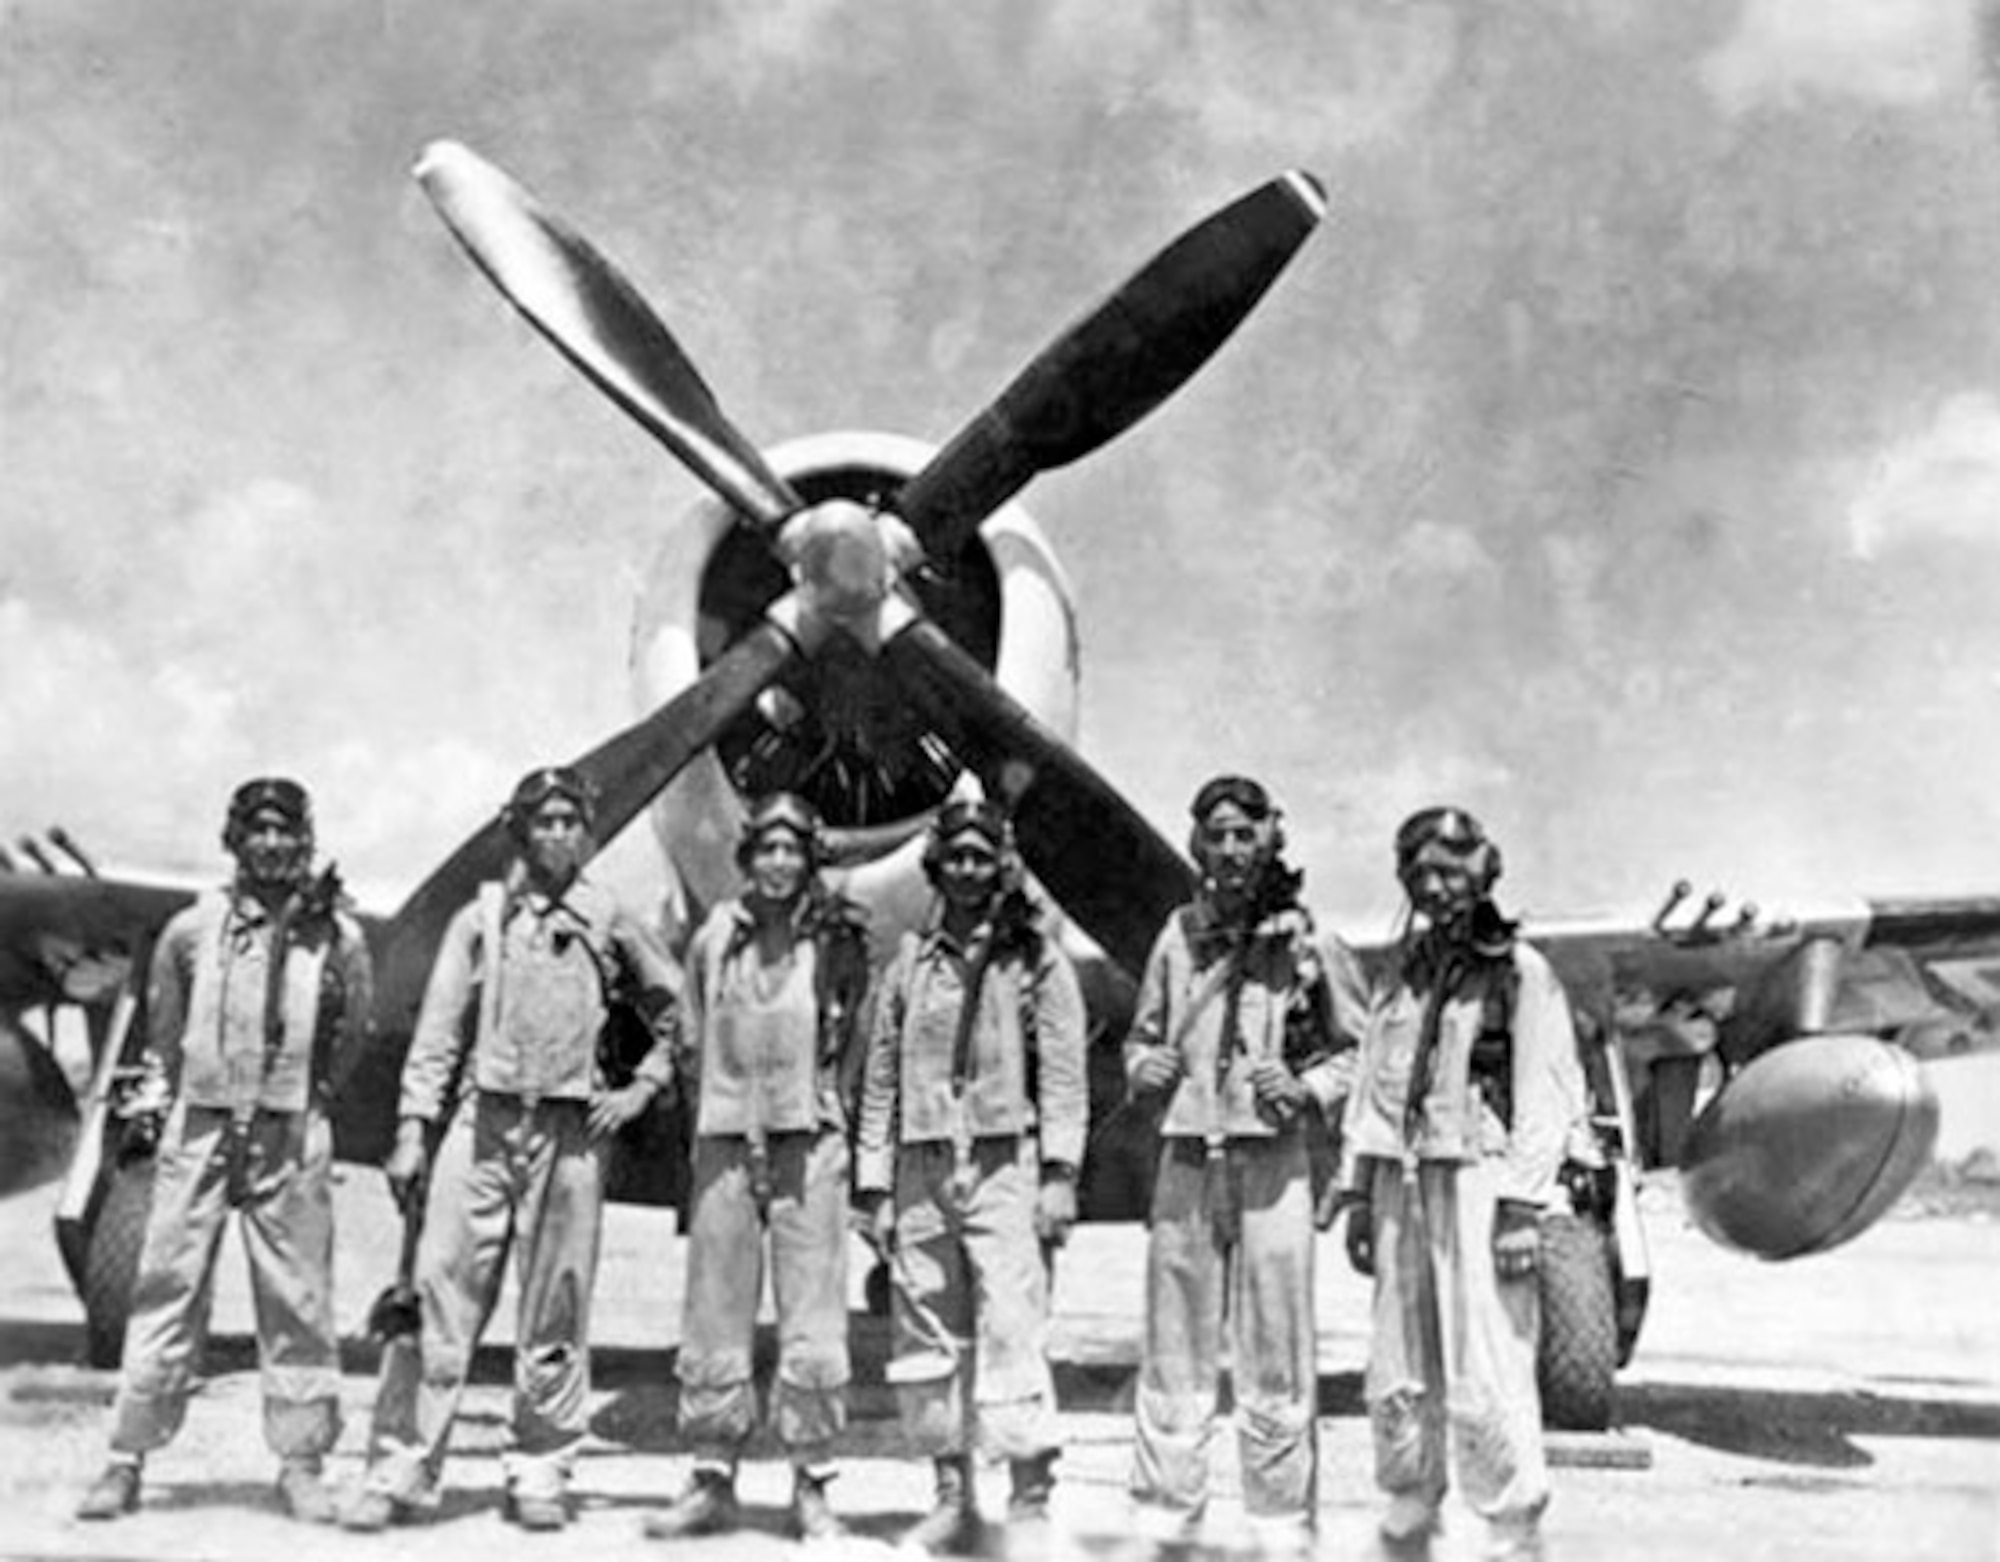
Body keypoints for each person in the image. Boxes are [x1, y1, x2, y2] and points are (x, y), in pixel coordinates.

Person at [343, 765, 678, 1533]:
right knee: (435, 1297)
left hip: (570, 1135)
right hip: (482, 1124)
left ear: (586, 832)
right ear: (521, 830)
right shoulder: (481, 918)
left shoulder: (612, 918)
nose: (558, 833)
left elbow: (674, 1011)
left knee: (556, 1307)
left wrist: (640, 1088)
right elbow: (437, 1031)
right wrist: (411, 1130)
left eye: (570, 820)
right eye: (545, 820)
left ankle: (541, 1468)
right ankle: (399, 1466)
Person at [76, 778, 373, 1523]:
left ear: (305, 840)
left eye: (285, 831)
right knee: (165, 1287)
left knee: (299, 1300)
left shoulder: (337, 935)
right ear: (234, 840)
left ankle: (302, 1463)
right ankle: (126, 1459)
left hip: (290, 1129)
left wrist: (302, 1099)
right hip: (202, 1124)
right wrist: (198, 1098)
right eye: (257, 830)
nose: (271, 845)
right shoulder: (190, 930)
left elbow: (354, 1032)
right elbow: (168, 1028)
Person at [1123, 775, 1366, 1552]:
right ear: (1198, 844)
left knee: (1277, 1353)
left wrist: (1305, 1086)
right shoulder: (1177, 936)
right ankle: (1167, 1522)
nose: (1230, 850)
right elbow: (1144, 1035)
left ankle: (1280, 1529)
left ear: (1270, 840)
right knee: (1171, 1353)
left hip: (1273, 1167)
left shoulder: (1309, 942)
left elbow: (1359, 1050)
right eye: (1217, 835)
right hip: (1189, 1161)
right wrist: (1144, 1069)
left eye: (1244, 834)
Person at [1339, 807, 1585, 1561]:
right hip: (1399, 1182)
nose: (1435, 886)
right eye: (1420, 873)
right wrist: (1356, 1188)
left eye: (1451, 869)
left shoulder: (1519, 972)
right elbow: (1371, 1084)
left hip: (1480, 1180)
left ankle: (1510, 1534)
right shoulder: (1399, 974)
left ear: (1484, 871)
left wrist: (1520, 1206)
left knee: (1489, 1363)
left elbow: (1546, 1088)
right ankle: (1410, 1517)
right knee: (1398, 1365)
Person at [854, 797, 1087, 1554]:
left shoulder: (1036, 960)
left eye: (981, 858)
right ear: (936, 866)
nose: (966, 870)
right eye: (954, 857)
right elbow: (880, 1081)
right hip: (921, 1168)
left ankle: (1029, 1490)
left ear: (1000, 867)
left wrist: (1058, 1171)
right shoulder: (907, 966)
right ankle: (951, 1493)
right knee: (926, 1335)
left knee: (1013, 1325)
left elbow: (1062, 1073)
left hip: (1001, 1165)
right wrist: (876, 1188)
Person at [640, 792, 871, 1545]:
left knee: (813, 1319)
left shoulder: (840, 943)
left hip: (812, 1142)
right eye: (767, 849)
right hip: (727, 1140)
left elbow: (860, 1042)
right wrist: (716, 1121)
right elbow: (691, 1031)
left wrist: (835, 1123)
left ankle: (812, 1483)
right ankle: (711, 1476)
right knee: (713, 1312)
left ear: (811, 860)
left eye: (792, 850)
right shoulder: (715, 938)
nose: (779, 863)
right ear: (749, 859)